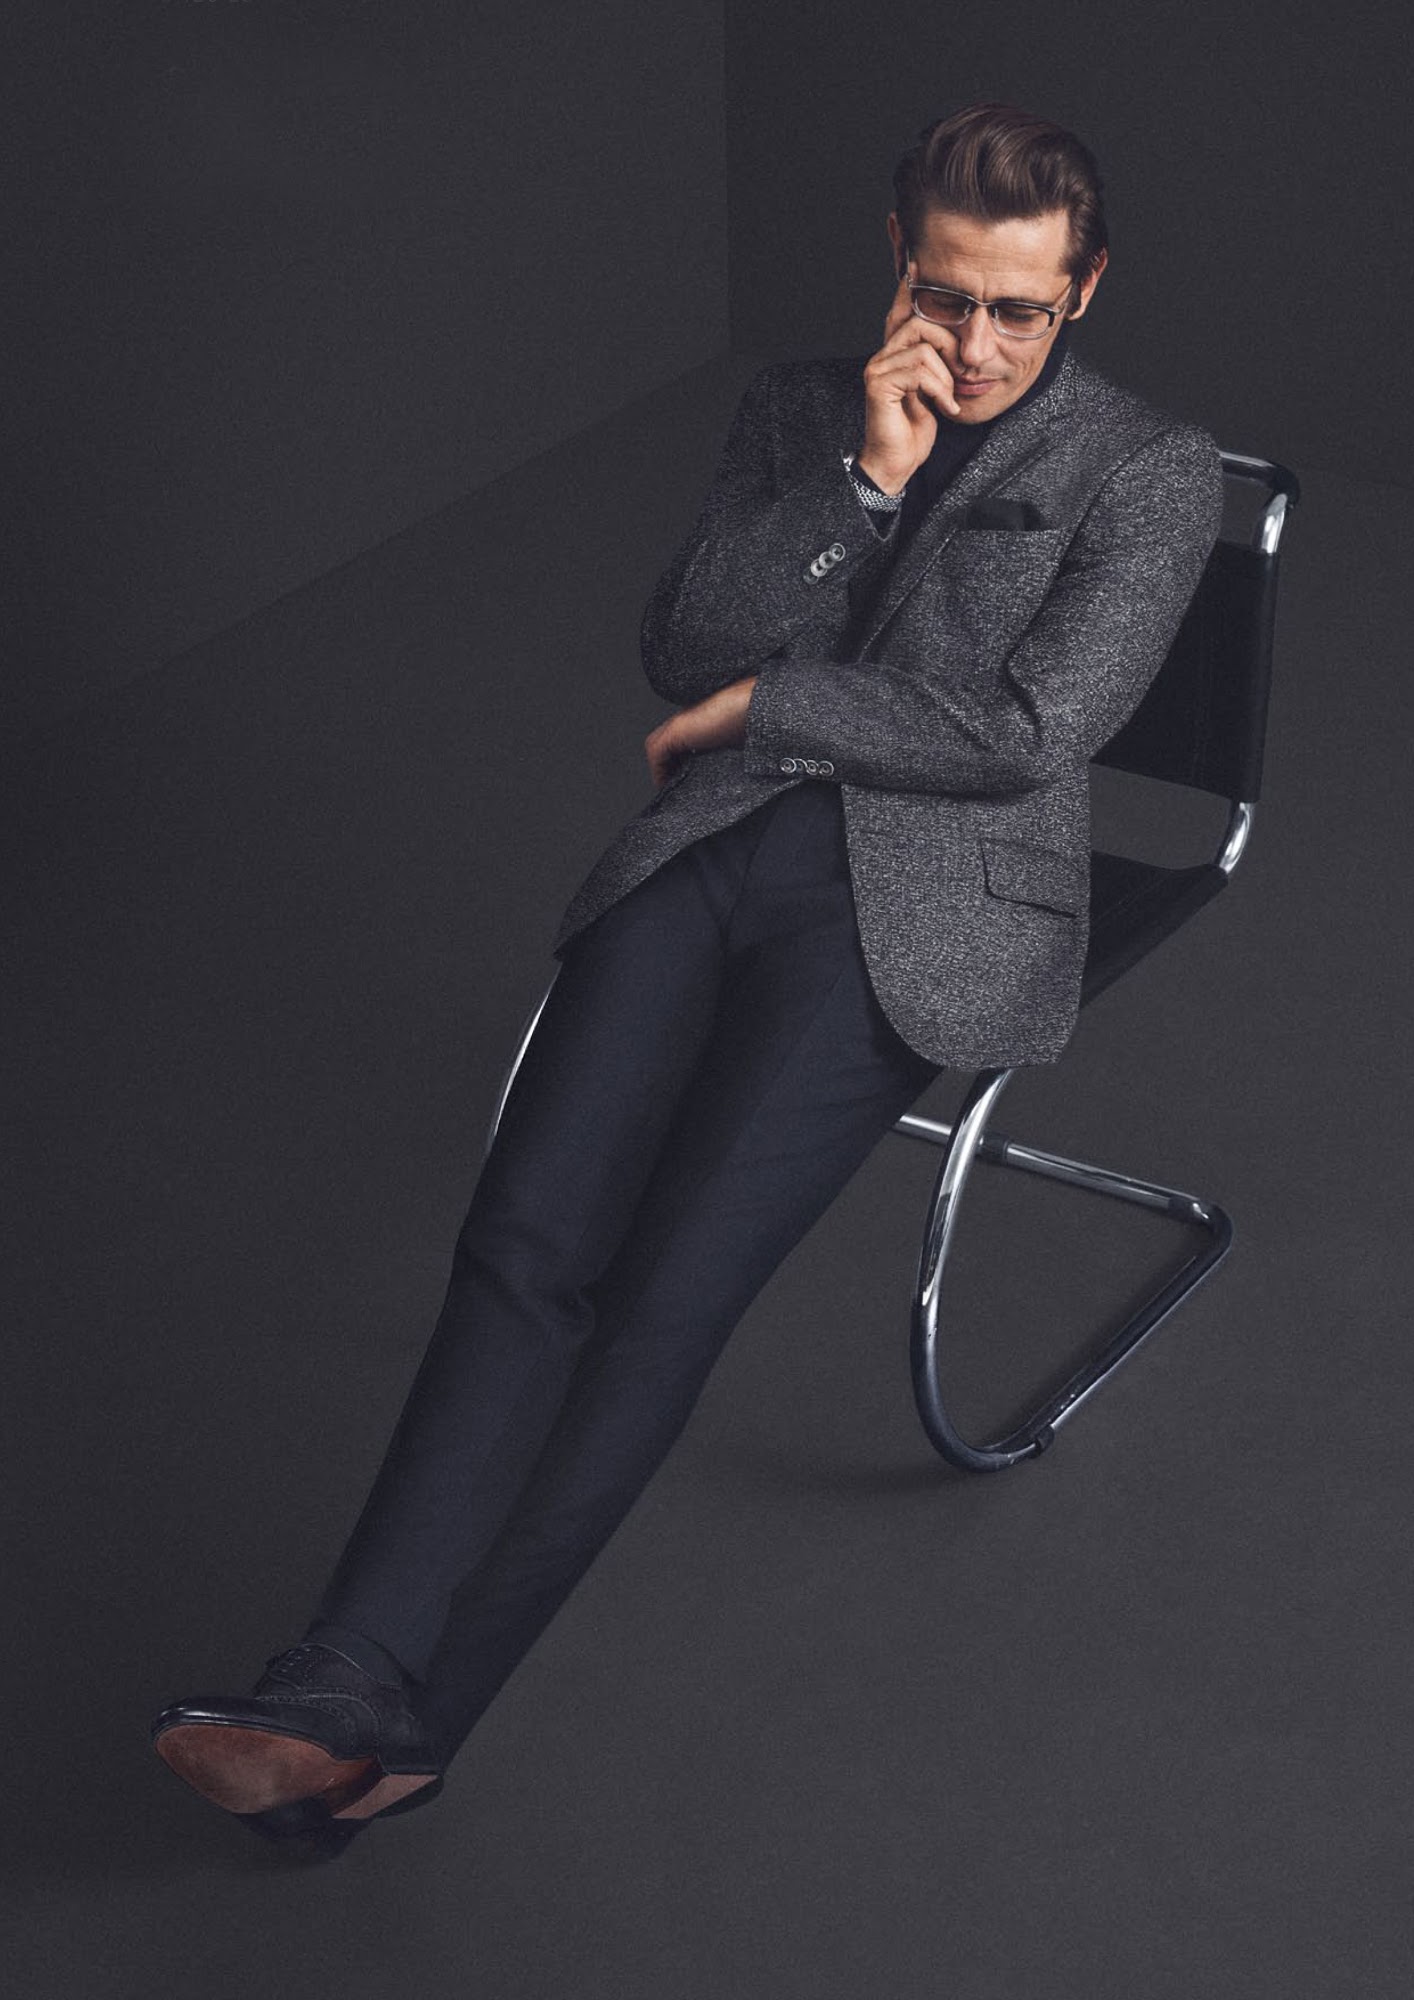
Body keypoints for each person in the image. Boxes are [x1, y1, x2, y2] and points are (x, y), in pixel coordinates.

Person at [150, 101, 1224, 1854]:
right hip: (711, 853)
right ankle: (335, 1679)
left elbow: (1032, 730)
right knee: (523, 1248)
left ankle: (411, 1727)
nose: (973, 345)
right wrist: (860, 484)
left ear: (1082, 290)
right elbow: (682, 641)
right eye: (943, 295)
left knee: (661, 1296)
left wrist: (770, 704)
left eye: (1016, 310)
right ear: (898, 261)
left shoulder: (1150, 469)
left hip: (927, 904)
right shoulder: (809, 410)